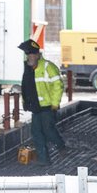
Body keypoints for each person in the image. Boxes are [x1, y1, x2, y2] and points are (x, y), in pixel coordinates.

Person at [17, 38, 65, 166]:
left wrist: (55, 103)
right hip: (36, 108)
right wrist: (25, 102)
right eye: (28, 54)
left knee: (48, 131)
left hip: (48, 107)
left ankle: (61, 147)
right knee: (36, 133)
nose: (30, 56)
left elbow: (58, 86)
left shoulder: (48, 67)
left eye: (32, 54)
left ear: (38, 55)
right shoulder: (28, 69)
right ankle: (44, 160)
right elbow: (26, 87)